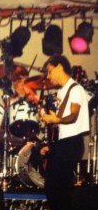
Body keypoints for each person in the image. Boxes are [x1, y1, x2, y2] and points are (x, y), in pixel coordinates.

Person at [40, 55, 89, 210]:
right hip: (63, 142)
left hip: (71, 142)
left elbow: (73, 115)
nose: (48, 77)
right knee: (54, 186)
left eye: (49, 71)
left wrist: (56, 120)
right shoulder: (62, 92)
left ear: (60, 67)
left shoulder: (76, 89)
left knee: (57, 187)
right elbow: (60, 120)